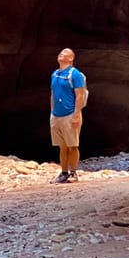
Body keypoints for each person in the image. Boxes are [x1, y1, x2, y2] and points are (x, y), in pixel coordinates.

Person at [49, 48, 85, 184]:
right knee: (62, 146)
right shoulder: (55, 74)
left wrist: (76, 115)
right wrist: (52, 112)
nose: (61, 54)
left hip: (70, 114)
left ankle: (73, 173)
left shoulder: (75, 74)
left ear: (71, 59)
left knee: (73, 146)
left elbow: (80, 95)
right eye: (60, 53)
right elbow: (53, 94)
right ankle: (64, 173)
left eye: (65, 53)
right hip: (56, 115)